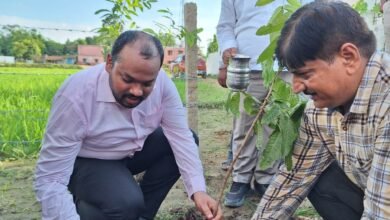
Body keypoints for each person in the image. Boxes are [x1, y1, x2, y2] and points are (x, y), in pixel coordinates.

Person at [34, 30, 222, 220]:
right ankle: (89, 205)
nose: (137, 91)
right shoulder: (76, 96)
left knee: (184, 140)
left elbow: (180, 136)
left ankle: (141, 215)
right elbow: (51, 179)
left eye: (147, 83)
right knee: (125, 202)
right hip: (87, 160)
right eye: (127, 79)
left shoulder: (163, 84)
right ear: (109, 64)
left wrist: (198, 190)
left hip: (130, 152)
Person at [252, 1, 390, 219]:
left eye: (305, 74)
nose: (296, 86)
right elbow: (292, 179)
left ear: (349, 57)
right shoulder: (319, 111)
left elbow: (382, 212)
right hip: (376, 196)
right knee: (318, 174)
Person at [216, 0, 283, 208]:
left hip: (285, 65)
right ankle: (240, 178)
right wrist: (226, 52)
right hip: (248, 65)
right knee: (244, 126)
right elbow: (225, 25)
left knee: (274, 128)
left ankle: (265, 178)